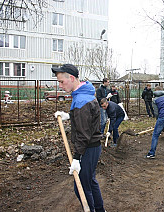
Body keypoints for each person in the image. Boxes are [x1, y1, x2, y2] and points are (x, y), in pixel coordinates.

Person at [52, 64, 105, 211]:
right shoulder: (84, 93)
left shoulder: (81, 100)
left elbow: (83, 134)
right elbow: (88, 118)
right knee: (90, 181)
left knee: (81, 186)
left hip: (88, 148)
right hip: (92, 146)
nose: (60, 86)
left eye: (62, 82)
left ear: (72, 78)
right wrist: (69, 115)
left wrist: (76, 158)